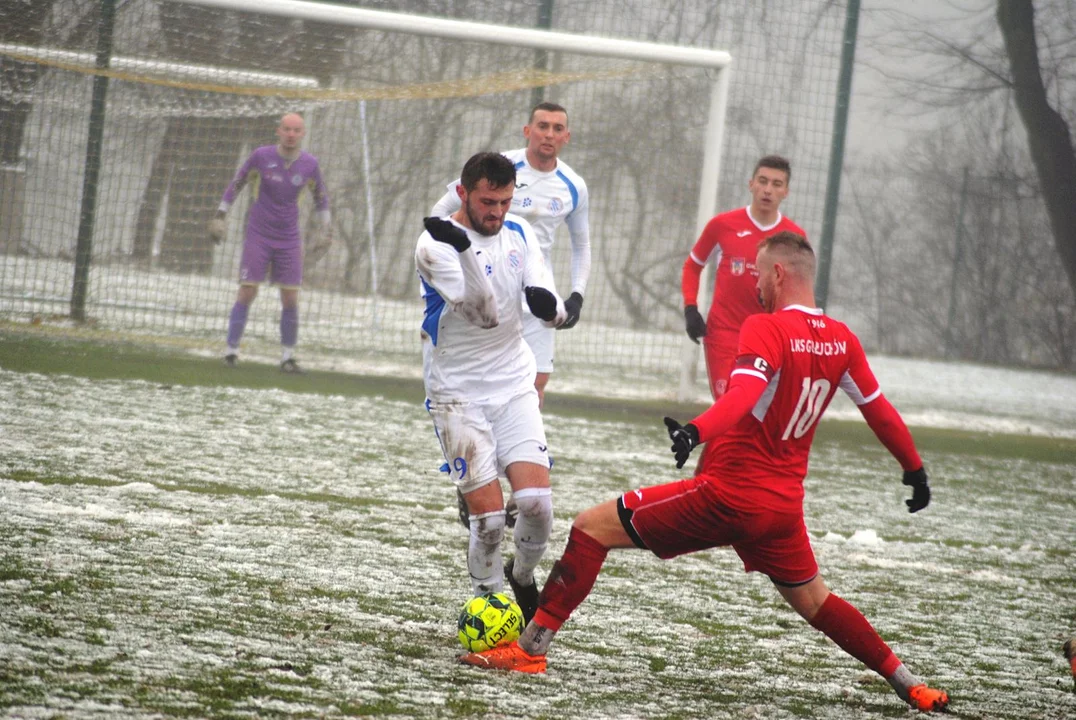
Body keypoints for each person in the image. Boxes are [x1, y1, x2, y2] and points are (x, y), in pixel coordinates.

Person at [459, 231, 951, 714]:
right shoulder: (841, 339)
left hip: (730, 496)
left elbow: (738, 398)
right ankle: (909, 684)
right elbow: (879, 409)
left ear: (778, 274)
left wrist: (695, 431)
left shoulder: (767, 327)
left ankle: (529, 650)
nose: (755, 285)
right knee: (816, 602)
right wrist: (915, 470)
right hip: (782, 509)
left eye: (758, 274)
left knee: (590, 529)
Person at [417, 152, 567, 623]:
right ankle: (498, 612)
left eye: (504, 201)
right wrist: (462, 247)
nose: (497, 213)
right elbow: (483, 315)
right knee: (486, 524)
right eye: (487, 202)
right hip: (456, 394)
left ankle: (522, 576)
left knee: (537, 506)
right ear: (462, 193)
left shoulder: (519, 233)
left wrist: (555, 309)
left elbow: (549, 300)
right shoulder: (435, 245)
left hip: (514, 384)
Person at [430, 102, 591, 409]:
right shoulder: (499, 167)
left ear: (566, 137)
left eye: (558, 128)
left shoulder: (574, 186)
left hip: (536, 293)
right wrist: (447, 263)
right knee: (478, 385)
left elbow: (582, 246)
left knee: (534, 386)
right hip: (490, 286)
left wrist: (577, 296)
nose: (549, 134)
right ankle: (475, 448)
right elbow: (441, 210)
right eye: (542, 126)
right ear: (528, 131)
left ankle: (521, 453)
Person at [209, 112, 331, 373]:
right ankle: (231, 352)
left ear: (303, 134)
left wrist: (326, 229)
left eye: (296, 130)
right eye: (286, 129)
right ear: (278, 131)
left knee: (290, 298)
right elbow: (237, 183)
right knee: (247, 291)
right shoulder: (261, 157)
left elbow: (321, 197)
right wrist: (220, 215)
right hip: (258, 235)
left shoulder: (309, 164)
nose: (290, 134)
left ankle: (287, 357)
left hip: (288, 239)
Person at [682, 155, 805, 400]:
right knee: (729, 408)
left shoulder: (794, 238)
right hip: (724, 335)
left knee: (756, 417)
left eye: (777, 184)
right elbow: (692, 267)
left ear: (786, 192)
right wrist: (690, 309)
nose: (768, 190)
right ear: (751, 184)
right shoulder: (722, 225)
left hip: (769, 339)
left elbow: (800, 291)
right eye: (763, 181)